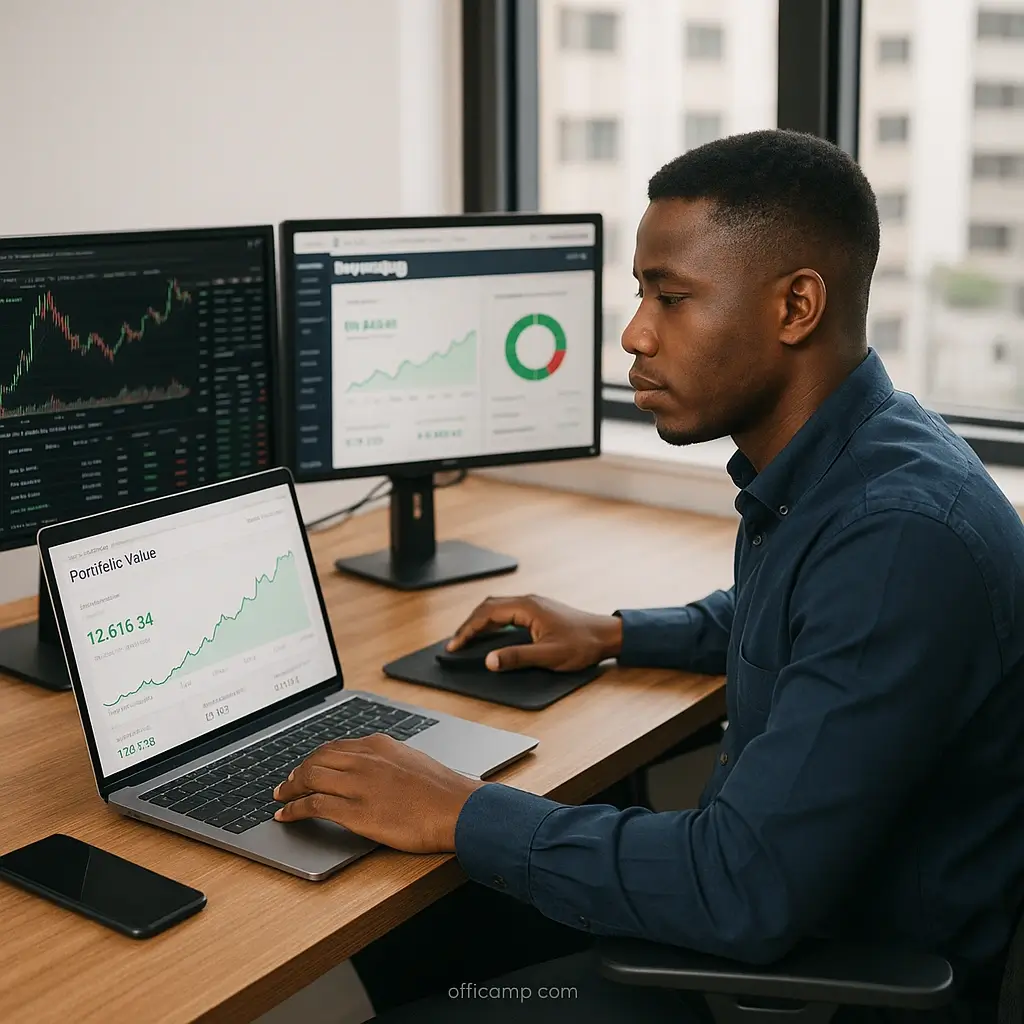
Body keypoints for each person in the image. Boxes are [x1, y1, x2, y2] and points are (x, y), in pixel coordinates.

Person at [272, 130, 1024, 1022]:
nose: (634, 333)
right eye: (640, 293)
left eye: (672, 297)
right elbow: (806, 623)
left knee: (435, 895)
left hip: (796, 982)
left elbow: (739, 889)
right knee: (410, 915)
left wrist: (462, 809)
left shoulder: (899, 538)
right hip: (772, 924)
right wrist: (618, 633)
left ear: (796, 307)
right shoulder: (866, 459)